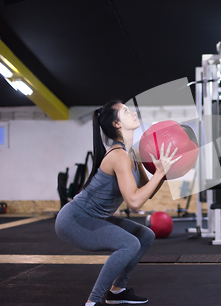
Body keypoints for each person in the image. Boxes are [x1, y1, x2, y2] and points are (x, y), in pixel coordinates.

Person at [55, 100, 181, 306]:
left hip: (93, 217)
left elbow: (145, 192)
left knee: (145, 235)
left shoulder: (131, 154)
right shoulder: (119, 155)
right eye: (125, 111)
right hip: (73, 219)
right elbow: (134, 202)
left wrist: (162, 173)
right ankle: (92, 302)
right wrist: (159, 173)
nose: (132, 113)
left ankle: (117, 291)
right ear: (116, 124)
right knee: (129, 243)